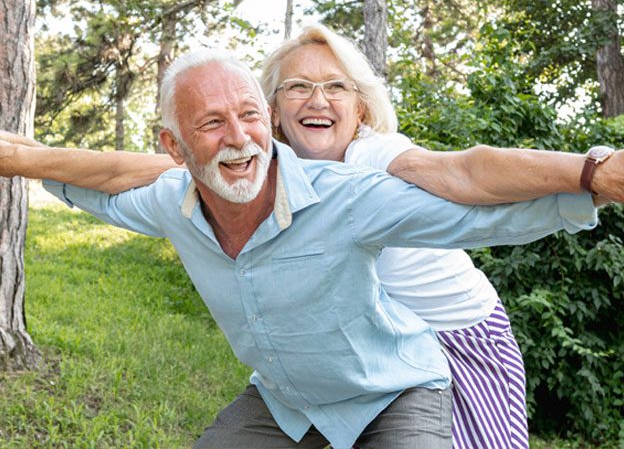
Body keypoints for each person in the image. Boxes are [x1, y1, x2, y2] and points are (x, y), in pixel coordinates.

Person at [0, 47, 611, 449]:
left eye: (247, 116)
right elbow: (106, 187)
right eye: (212, 124)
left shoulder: (352, 191)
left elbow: (469, 202)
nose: (238, 139)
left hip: (395, 388)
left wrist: (593, 177)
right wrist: (23, 159)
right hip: (291, 400)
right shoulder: (171, 201)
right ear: (174, 145)